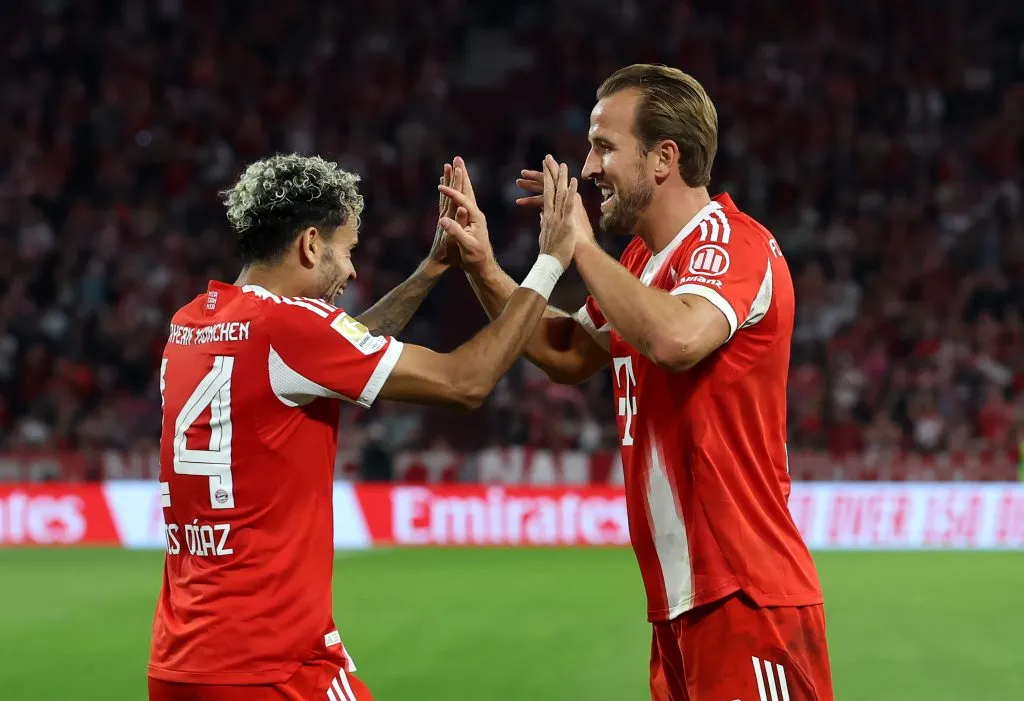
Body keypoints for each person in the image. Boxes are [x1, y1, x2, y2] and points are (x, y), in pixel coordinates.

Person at [444, 64, 834, 701]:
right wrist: (483, 265)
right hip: (680, 604)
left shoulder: (731, 243)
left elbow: (678, 339)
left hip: (746, 596)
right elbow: (567, 352)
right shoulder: (641, 262)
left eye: (604, 147)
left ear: (664, 158)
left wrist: (578, 246)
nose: (588, 168)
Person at [148, 153, 579, 701]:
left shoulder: (192, 322)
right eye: (347, 249)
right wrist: (550, 262)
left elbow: (336, 350)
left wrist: (431, 270)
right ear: (310, 244)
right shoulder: (289, 326)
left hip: (180, 662)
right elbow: (465, 383)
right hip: (271, 664)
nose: (352, 271)